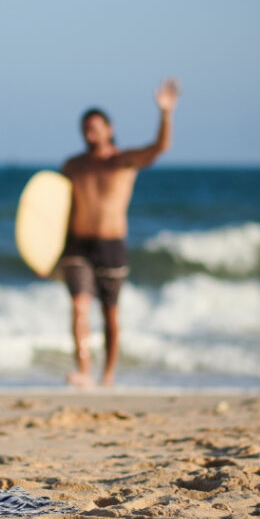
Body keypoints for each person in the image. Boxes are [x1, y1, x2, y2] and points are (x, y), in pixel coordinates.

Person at [60, 78, 180, 388]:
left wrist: (165, 113)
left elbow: (159, 148)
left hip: (112, 245)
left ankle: (109, 375)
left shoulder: (123, 161)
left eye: (95, 127)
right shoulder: (73, 166)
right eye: (85, 128)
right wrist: (47, 252)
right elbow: (54, 209)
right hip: (77, 245)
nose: (89, 133)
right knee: (78, 306)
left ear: (109, 129)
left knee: (110, 315)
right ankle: (84, 371)